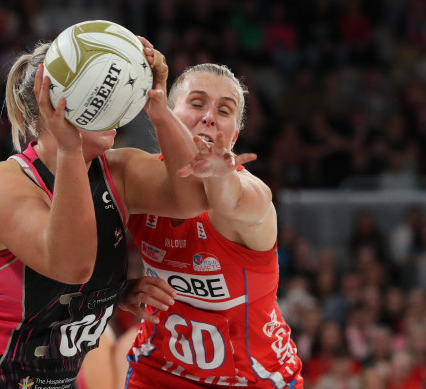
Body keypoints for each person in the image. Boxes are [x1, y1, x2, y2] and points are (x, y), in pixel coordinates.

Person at [0, 37, 206, 389]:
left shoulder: (117, 171)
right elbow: (69, 267)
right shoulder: (1, 183)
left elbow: (195, 196)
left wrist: (160, 107)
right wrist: (69, 147)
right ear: (56, 109)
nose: (111, 106)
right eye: (96, 99)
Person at [121, 63, 304, 388]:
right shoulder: (137, 179)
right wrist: (117, 291)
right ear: (167, 113)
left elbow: (227, 202)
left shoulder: (255, 196)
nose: (209, 116)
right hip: (159, 372)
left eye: (223, 110)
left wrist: (219, 175)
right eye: (196, 103)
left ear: (233, 135)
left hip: (254, 379)